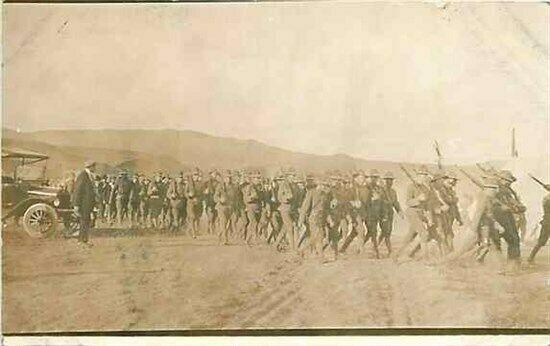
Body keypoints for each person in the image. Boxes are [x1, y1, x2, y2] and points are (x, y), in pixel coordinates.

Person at [71, 160, 97, 247]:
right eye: (94, 166)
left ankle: (84, 239)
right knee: (84, 221)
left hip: (87, 203)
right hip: (83, 203)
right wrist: (76, 205)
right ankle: (81, 240)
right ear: (91, 167)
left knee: (86, 221)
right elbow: (78, 190)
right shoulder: (83, 175)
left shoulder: (88, 175)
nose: (95, 168)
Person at [378, 171, 402, 257]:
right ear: (385, 180)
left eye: (391, 180)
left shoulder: (393, 192)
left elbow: (396, 203)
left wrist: (399, 211)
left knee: (386, 231)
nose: (389, 182)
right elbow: (378, 202)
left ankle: (376, 245)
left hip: (390, 213)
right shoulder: (381, 190)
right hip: (383, 214)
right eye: (388, 180)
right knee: (386, 232)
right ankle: (390, 250)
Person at [527, 184, 550, 263]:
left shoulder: (546, 198)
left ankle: (531, 257)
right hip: (547, 222)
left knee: (541, 241)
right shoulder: (547, 199)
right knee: (541, 241)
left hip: (547, 222)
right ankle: (531, 257)